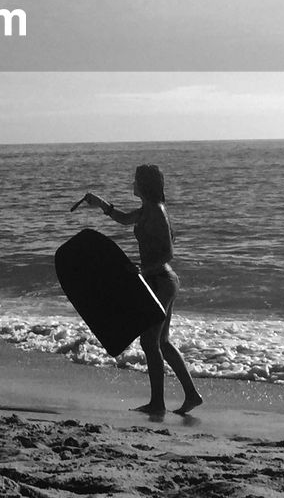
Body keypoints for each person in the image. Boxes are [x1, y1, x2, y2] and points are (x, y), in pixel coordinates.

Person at [78, 164, 203, 416]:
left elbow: (168, 252)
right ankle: (191, 395)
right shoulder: (148, 209)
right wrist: (102, 204)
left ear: (144, 184)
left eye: (135, 179)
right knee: (163, 343)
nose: (131, 183)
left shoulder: (156, 211)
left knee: (149, 342)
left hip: (161, 281)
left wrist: (143, 270)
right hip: (160, 280)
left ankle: (158, 403)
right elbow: (125, 219)